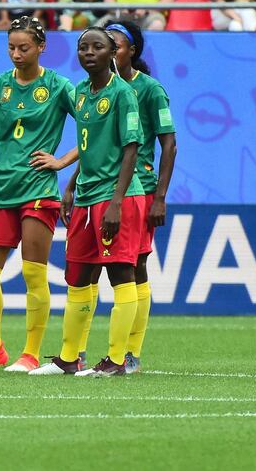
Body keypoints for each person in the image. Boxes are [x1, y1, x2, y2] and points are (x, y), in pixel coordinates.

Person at [0, 17, 75, 373]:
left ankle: (31, 353)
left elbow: (94, 128)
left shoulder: (58, 85)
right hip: (2, 189)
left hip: (38, 190)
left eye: (24, 47)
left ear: (41, 47)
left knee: (33, 275)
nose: (16, 54)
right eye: (11, 47)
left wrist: (62, 161)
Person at [30, 27, 146, 377]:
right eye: (83, 47)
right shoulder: (80, 92)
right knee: (78, 275)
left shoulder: (123, 93)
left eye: (98, 47)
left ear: (113, 53)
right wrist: (70, 186)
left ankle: (115, 361)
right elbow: (89, 144)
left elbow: (130, 148)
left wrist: (116, 202)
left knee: (121, 274)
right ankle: (68, 358)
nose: (89, 53)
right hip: (86, 196)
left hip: (117, 196)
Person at [75, 20, 175, 374]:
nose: (109, 50)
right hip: (101, 186)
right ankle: (80, 352)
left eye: (115, 45)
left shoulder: (148, 90)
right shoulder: (91, 88)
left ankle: (129, 352)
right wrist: (73, 177)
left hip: (138, 188)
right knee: (94, 270)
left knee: (135, 265)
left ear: (131, 50)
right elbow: (92, 143)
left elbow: (168, 144)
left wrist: (160, 197)